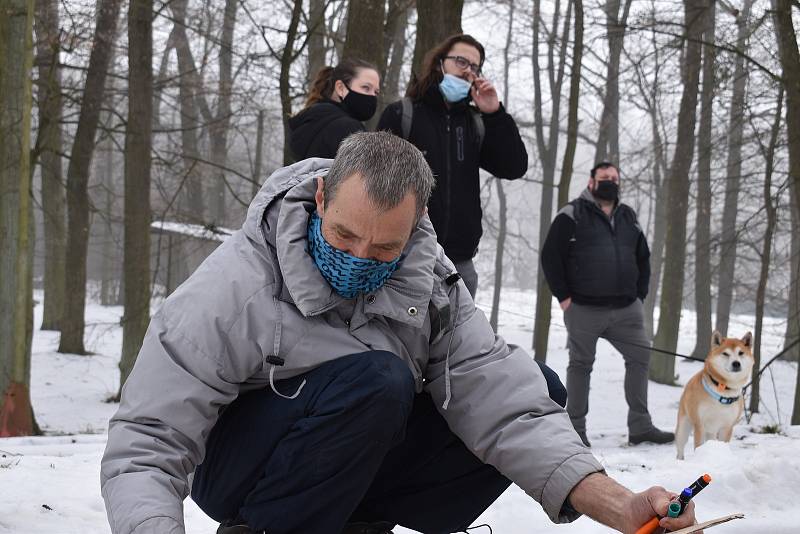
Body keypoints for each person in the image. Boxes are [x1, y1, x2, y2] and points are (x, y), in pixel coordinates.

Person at [101, 135, 696, 534]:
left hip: (354, 458)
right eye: (342, 236)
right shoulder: (231, 291)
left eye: (384, 245)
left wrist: (618, 504)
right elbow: (147, 442)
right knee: (378, 377)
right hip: (243, 470)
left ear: (415, 227)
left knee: (536, 383)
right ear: (323, 196)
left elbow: (507, 407)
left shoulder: (431, 283)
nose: (360, 259)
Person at [378, 34, 527, 298]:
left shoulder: (476, 124)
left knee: (454, 340)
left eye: (475, 66)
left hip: (459, 264)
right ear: (439, 63)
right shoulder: (403, 114)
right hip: (404, 255)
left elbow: (514, 167)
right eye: (461, 61)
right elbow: (376, 181)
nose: (468, 70)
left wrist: (495, 113)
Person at [540, 162, 676, 448]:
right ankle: (576, 429)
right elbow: (551, 256)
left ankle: (640, 426)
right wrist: (564, 298)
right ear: (591, 182)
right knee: (581, 364)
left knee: (640, 358)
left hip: (627, 310)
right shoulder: (572, 213)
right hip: (583, 309)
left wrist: (640, 295)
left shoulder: (629, 216)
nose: (610, 182)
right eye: (604, 178)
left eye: (615, 178)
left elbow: (643, 258)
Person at [288, 58, 380, 160]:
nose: (372, 96)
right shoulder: (349, 129)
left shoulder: (311, 118)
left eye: (376, 92)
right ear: (340, 88)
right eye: (366, 87)